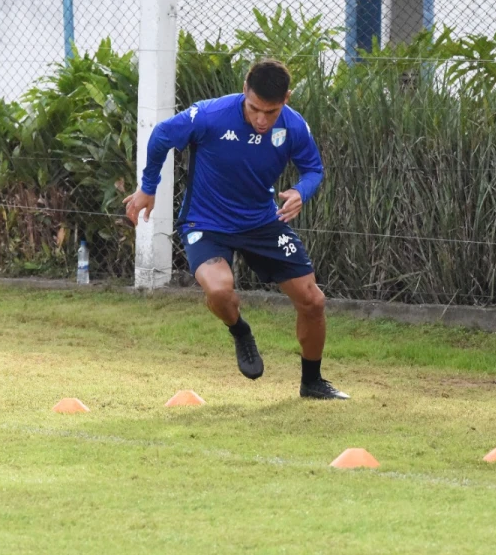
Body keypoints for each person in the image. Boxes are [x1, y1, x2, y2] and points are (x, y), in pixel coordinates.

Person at [123, 59, 347, 400]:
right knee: (218, 290)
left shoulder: (294, 127)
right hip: (207, 221)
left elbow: (313, 169)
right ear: (245, 90)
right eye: (255, 108)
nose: (261, 119)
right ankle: (240, 331)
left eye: (270, 112)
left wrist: (301, 192)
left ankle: (312, 382)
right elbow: (162, 135)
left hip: (262, 222)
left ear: (286, 99)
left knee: (313, 301)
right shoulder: (210, 115)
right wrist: (148, 186)